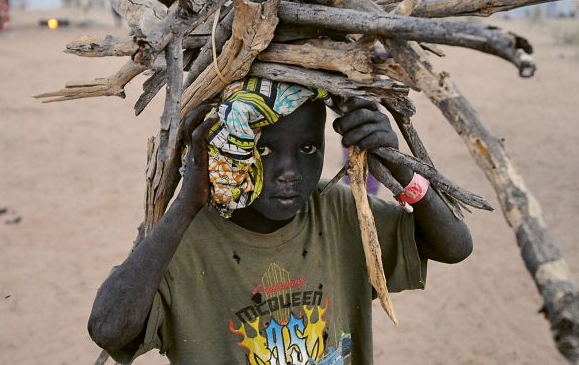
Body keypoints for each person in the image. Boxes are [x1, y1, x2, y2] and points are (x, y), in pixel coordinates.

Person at [89, 79, 473, 364]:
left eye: (308, 149)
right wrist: (187, 203)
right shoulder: (183, 243)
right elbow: (108, 329)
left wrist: (397, 165)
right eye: (264, 149)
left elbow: (455, 247)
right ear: (228, 149)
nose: (289, 172)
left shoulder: (338, 212)